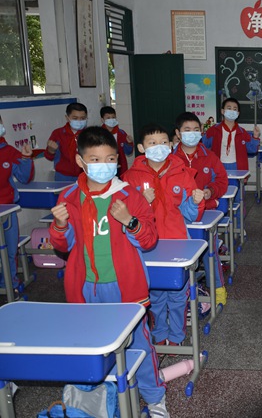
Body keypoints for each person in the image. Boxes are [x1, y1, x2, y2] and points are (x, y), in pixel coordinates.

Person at [48, 126, 169, 417]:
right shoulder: (69, 196)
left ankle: (155, 399)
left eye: (110, 159)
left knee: (139, 345)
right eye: (95, 159)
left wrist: (130, 221)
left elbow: (149, 239)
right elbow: (63, 246)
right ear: (81, 161)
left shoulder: (129, 195)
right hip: (85, 287)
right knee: (90, 344)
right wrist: (60, 226)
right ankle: (99, 400)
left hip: (125, 287)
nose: (104, 166)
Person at [123, 123, 205, 348]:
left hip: (177, 242)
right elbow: (123, 216)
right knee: (155, 294)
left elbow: (190, 215)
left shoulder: (182, 173)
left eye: (163, 142)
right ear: (141, 148)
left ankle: (177, 336)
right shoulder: (130, 178)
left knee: (178, 294)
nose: (159, 147)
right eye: (152, 143)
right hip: (146, 245)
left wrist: (195, 202)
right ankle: (159, 332)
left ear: (171, 145)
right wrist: (142, 201)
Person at [173, 112, 229, 306]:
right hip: (176, 217)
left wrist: (210, 191)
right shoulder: (170, 158)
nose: (192, 134)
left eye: (196, 130)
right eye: (187, 130)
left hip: (204, 215)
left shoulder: (209, 156)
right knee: (177, 253)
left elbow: (222, 181)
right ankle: (183, 294)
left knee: (209, 252)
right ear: (178, 133)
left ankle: (218, 288)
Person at [203, 97, 260, 204]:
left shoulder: (242, 132)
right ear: (222, 111)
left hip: (237, 167)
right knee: (218, 196)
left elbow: (252, 149)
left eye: (235, 109)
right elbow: (203, 145)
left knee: (237, 197)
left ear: (238, 113)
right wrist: (202, 133)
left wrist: (255, 137)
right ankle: (221, 215)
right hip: (218, 166)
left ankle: (238, 215)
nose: (232, 111)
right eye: (229, 108)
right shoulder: (214, 130)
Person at [0, 116, 34, 289]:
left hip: (7, 209)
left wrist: (26, 159)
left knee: (9, 249)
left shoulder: (9, 151)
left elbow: (24, 177)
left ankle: (9, 283)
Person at [44, 102, 88, 181]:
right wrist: (51, 151)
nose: (79, 121)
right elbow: (48, 157)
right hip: (63, 176)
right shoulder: (58, 133)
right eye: (75, 118)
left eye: (82, 118)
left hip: (84, 175)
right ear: (67, 118)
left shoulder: (90, 134)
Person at [100, 106, 133, 176]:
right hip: (104, 168)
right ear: (102, 120)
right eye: (108, 118)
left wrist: (129, 143)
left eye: (113, 117)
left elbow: (128, 152)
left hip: (120, 169)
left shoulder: (121, 133)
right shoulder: (98, 134)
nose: (111, 120)